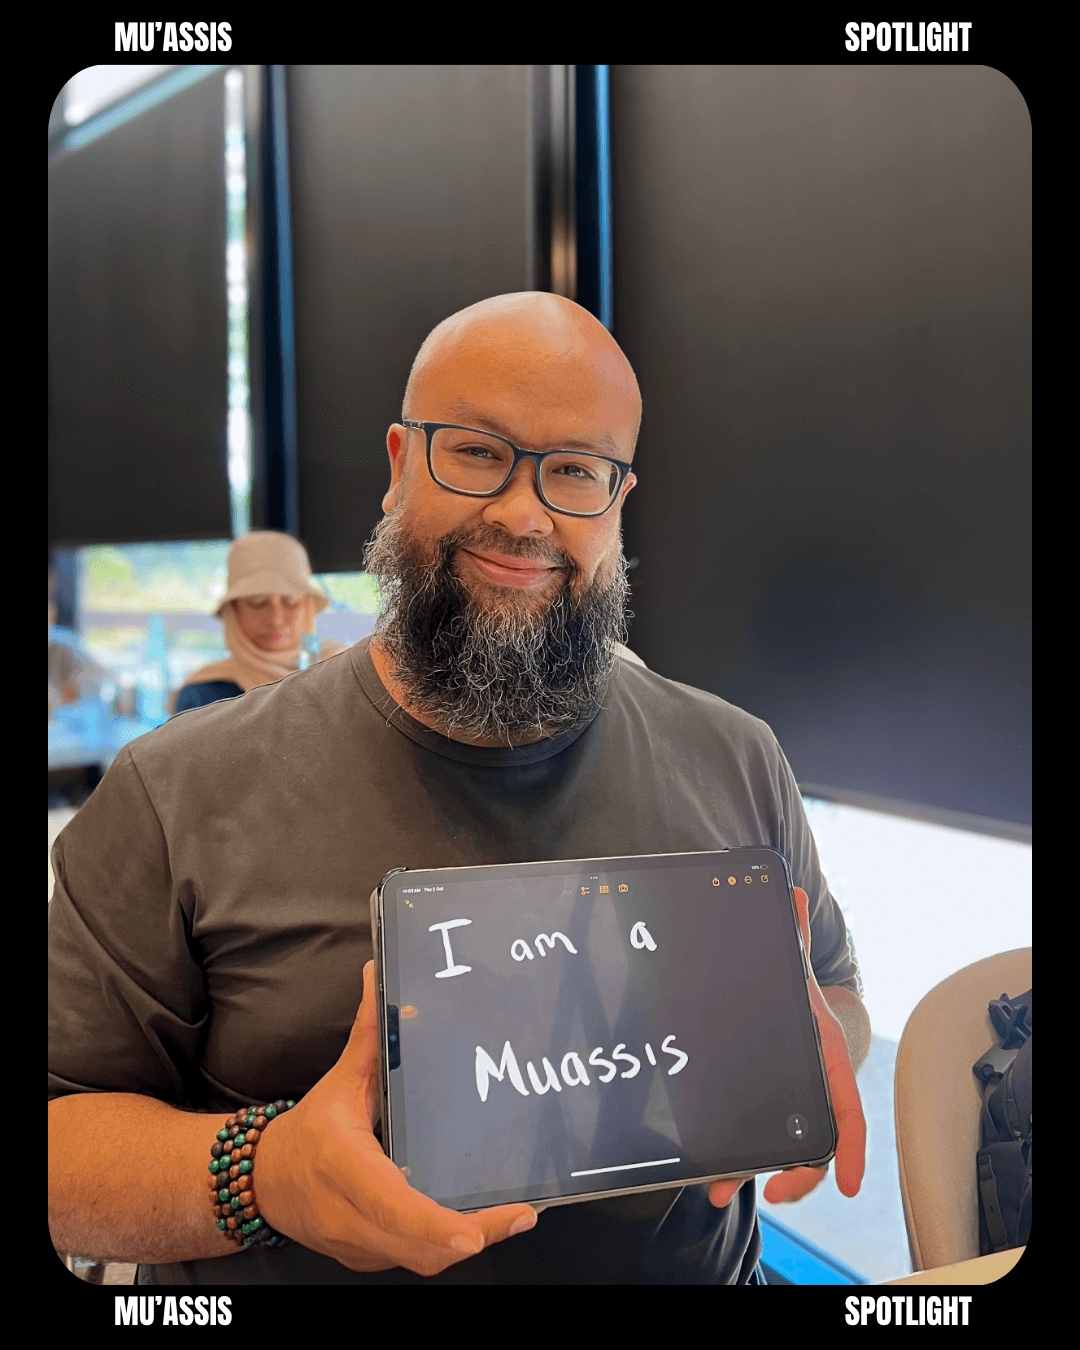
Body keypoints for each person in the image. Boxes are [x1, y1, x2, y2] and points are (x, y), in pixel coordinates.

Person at [48, 292, 869, 1285]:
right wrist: (260, 1174)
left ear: (617, 501)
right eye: (477, 451)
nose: (524, 515)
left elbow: (831, 988)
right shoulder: (176, 792)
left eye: (575, 470)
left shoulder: (735, 756)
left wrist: (804, 1045)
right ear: (399, 466)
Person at [173, 531, 348, 713]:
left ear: (308, 607)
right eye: (257, 603)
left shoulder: (342, 675)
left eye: (291, 602)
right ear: (233, 611)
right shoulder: (203, 698)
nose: (276, 619)